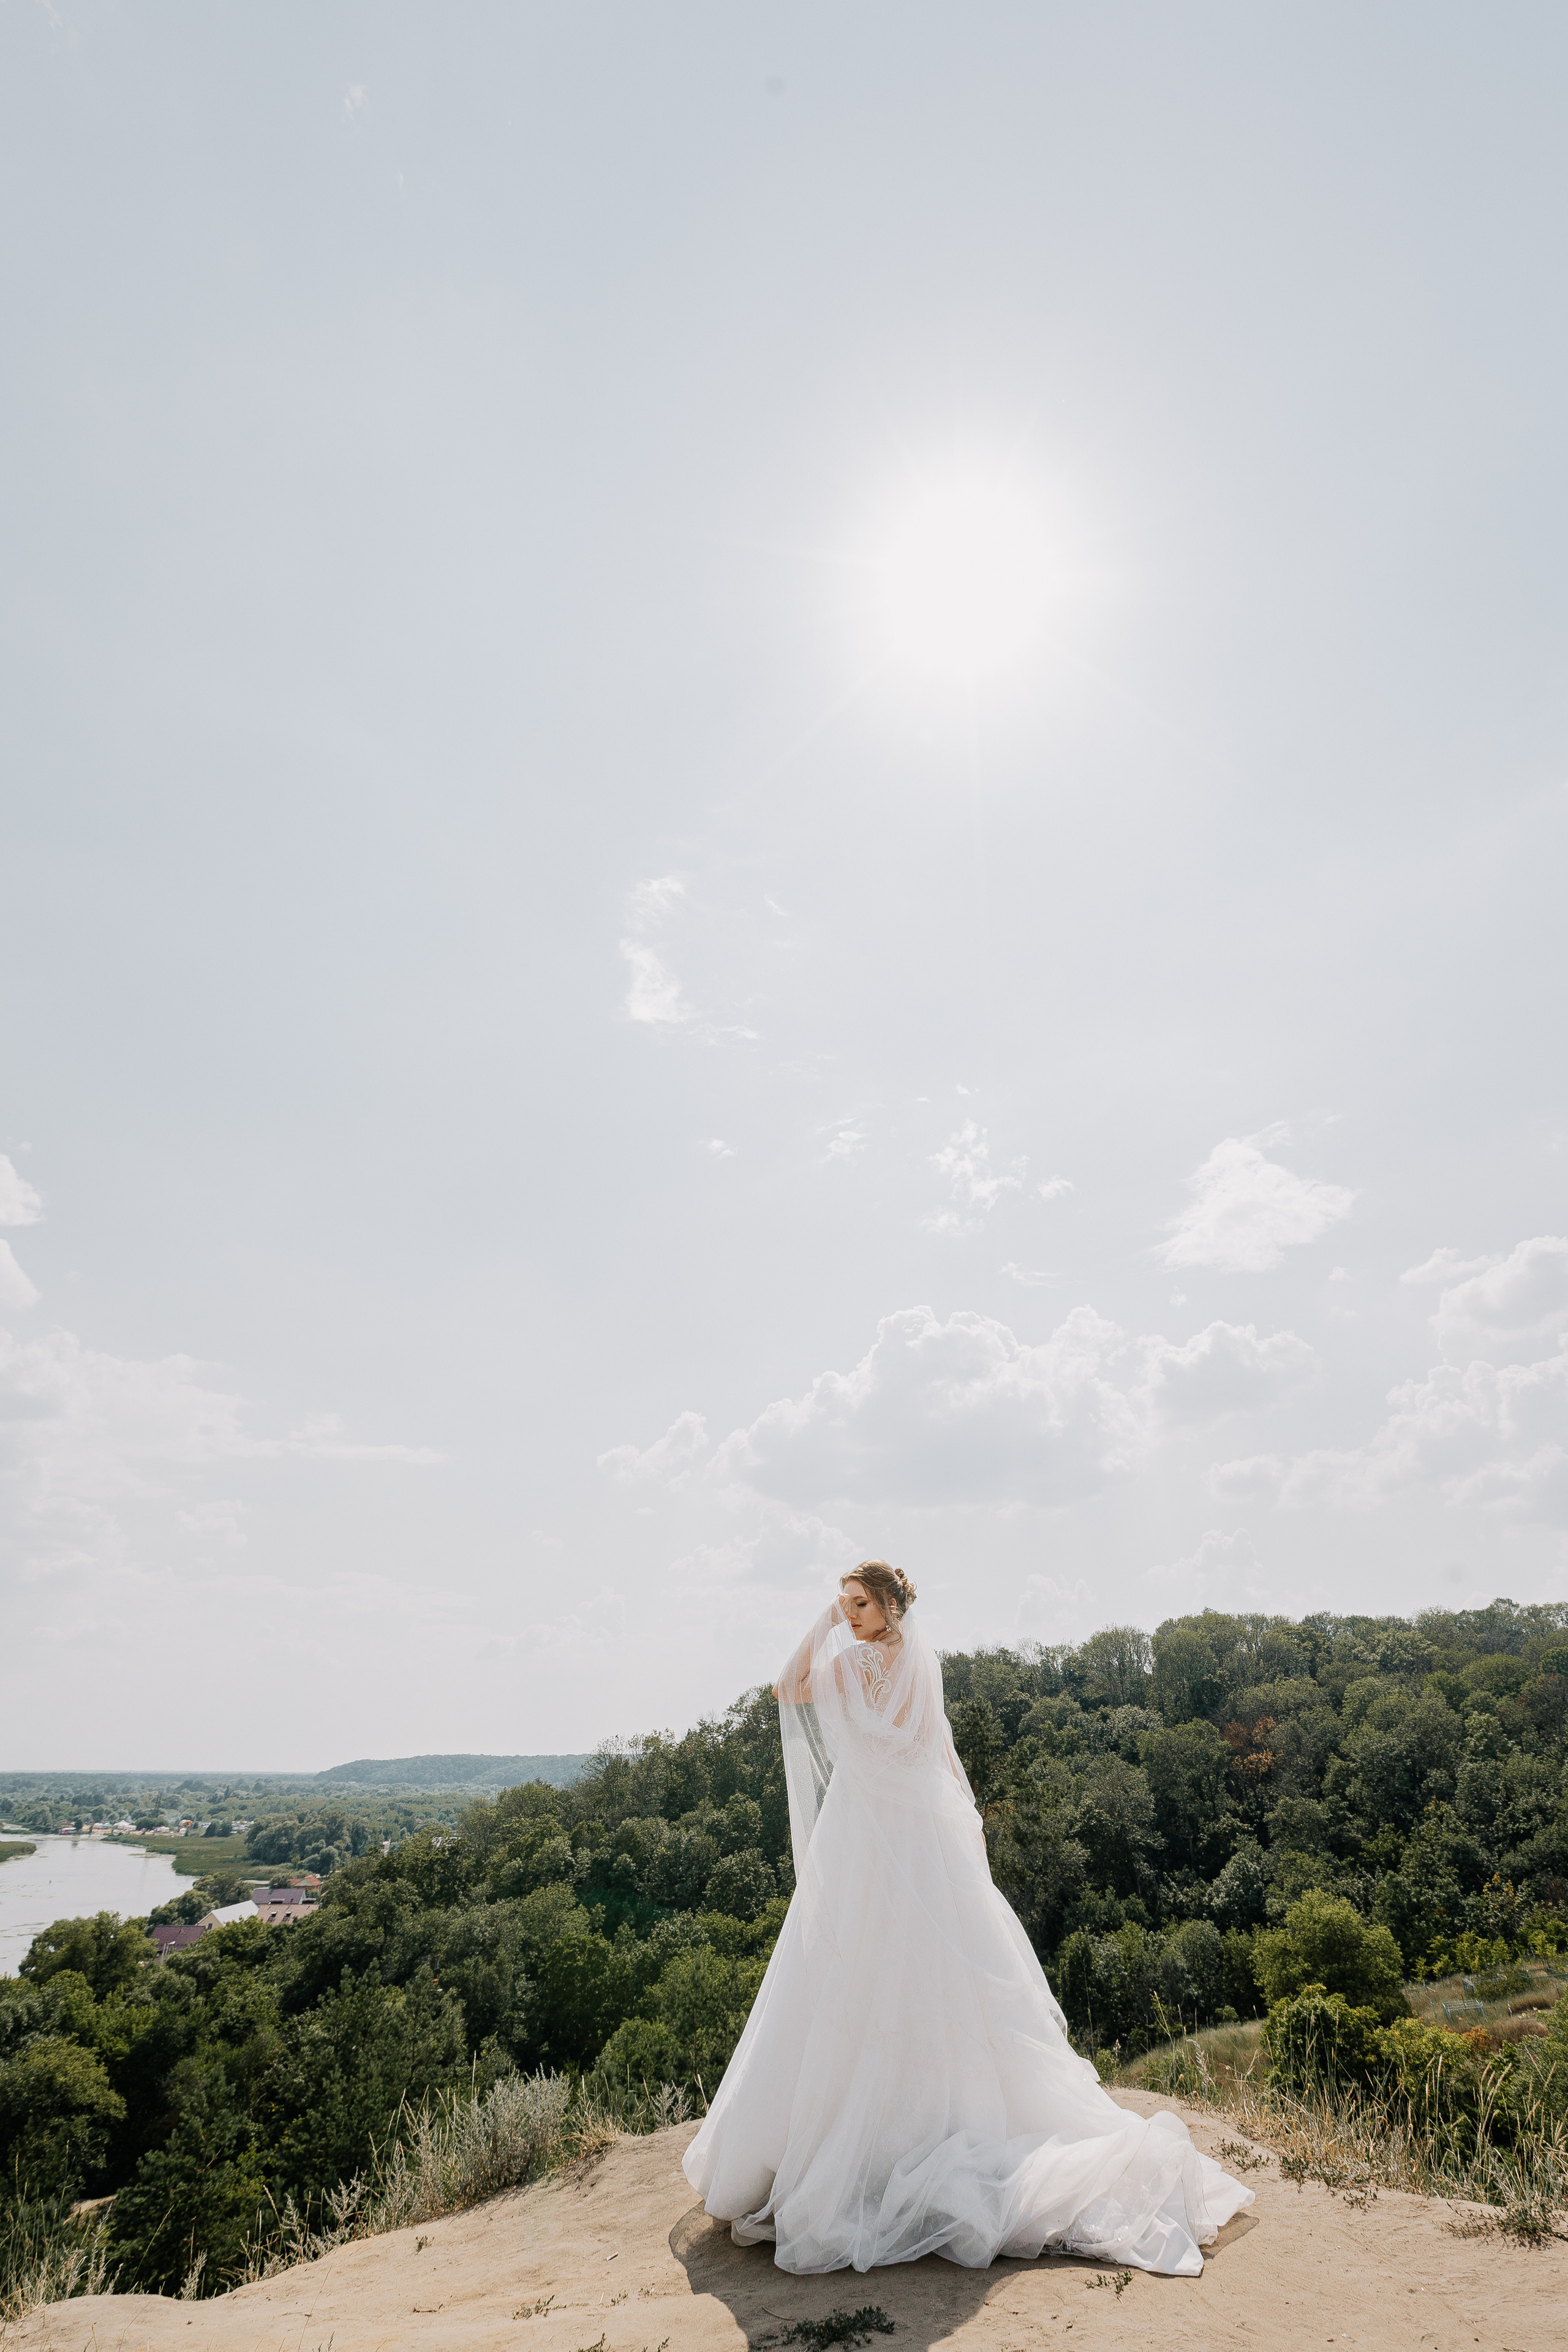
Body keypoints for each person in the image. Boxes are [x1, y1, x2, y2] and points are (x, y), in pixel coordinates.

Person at [682, 1561, 1254, 2277]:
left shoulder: (856, 1661)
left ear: (889, 1606)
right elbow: (941, 1750)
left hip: (870, 1832)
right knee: (908, 1967)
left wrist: (823, 1627)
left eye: (858, 1603)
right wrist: (965, 1816)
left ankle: (887, 2141)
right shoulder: (921, 1663)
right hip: (915, 1831)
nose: (848, 1613)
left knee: (877, 1966)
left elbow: (786, 1687)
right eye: (844, 1605)